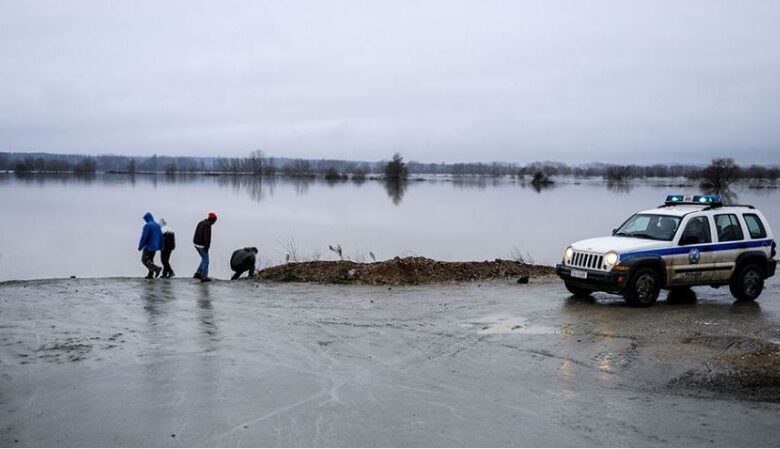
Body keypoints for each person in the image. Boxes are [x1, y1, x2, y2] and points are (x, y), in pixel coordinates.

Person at [193, 212, 217, 282]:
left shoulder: (201, 222)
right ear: (213, 220)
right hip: (202, 245)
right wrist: (207, 247)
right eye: (215, 221)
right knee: (206, 261)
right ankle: (204, 276)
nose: (215, 222)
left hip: (196, 243)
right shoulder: (207, 225)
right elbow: (206, 237)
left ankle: (198, 274)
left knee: (204, 259)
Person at [137, 212, 163, 279]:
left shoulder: (148, 225)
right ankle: (150, 274)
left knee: (144, 260)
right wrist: (161, 245)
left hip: (149, 246)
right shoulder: (157, 226)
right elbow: (161, 236)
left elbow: (144, 236)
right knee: (150, 260)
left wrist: (140, 246)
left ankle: (157, 268)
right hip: (155, 246)